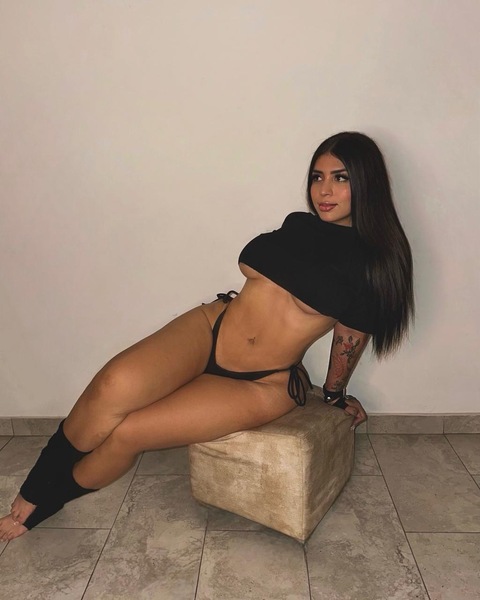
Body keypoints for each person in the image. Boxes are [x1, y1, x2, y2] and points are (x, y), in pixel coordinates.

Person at [0, 131, 414, 542]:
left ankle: (47, 501)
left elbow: (349, 338)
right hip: (211, 327)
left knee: (129, 432)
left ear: (367, 183)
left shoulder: (372, 266)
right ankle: (35, 486)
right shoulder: (297, 225)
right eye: (317, 177)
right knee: (110, 387)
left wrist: (335, 395)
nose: (324, 190)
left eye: (340, 178)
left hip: (263, 380)